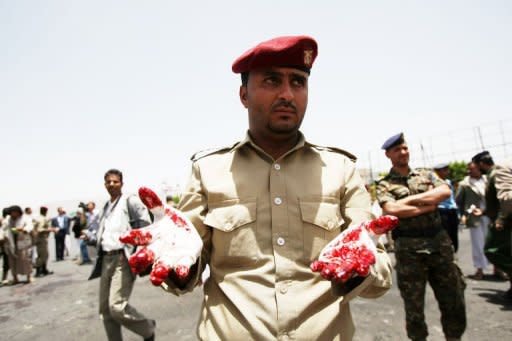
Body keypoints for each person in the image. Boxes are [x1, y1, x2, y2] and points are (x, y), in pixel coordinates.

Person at [157, 35, 392, 340]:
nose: (287, 94)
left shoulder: (340, 170)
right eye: (271, 80)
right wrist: (175, 261)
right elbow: (186, 255)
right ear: (243, 95)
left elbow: (379, 268)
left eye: (298, 82)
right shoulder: (208, 170)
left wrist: (361, 268)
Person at [376, 132, 466, 341]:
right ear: (388, 154)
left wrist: (409, 201)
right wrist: (427, 206)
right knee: (414, 306)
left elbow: (444, 192)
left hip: (439, 245)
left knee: (453, 300)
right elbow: (391, 209)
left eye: (405, 148)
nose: (403, 152)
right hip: (409, 250)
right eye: (397, 149)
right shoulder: (384, 184)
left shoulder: (426, 174)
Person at [86, 169, 155, 341]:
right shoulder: (106, 207)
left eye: (115, 181)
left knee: (117, 306)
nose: (111, 184)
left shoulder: (129, 201)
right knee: (105, 311)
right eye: (108, 182)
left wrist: (137, 252)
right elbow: (103, 233)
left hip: (122, 258)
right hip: (105, 259)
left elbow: (145, 226)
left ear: (121, 183)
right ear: (104, 184)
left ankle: (147, 328)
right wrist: (89, 237)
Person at [473, 151, 512, 297]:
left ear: (482, 164)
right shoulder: (491, 175)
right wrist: (483, 212)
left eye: (477, 165)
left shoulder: (496, 174)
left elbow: (505, 200)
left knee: (492, 250)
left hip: (503, 221)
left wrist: (501, 219)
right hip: (498, 219)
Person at [455, 161, 490, 279]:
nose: (469, 171)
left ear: (479, 169)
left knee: (492, 242)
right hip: (474, 217)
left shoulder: (487, 180)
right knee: (478, 244)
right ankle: (479, 269)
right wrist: (463, 215)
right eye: (468, 169)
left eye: (472, 169)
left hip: (489, 215)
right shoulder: (465, 184)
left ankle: (498, 268)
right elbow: (458, 201)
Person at [1, 205, 34, 284]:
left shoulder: (25, 218)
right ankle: (15, 278)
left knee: (25, 259)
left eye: (13, 212)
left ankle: (29, 276)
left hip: (23, 242)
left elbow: (30, 226)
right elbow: (3, 228)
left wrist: (23, 229)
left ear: (17, 212)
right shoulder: (8, 219)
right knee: (12, 261)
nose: (12, 214)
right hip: (11, 242)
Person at [433, 163, 460, 252]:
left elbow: (452, 198)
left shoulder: (448, 182)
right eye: (444, 170)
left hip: (452, 210)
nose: (447, 172)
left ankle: (454, 250)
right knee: (446, 234)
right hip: (442, 210)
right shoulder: (434, 183)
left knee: (454, 234)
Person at [33, 206, 54, 277]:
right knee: (42, 256)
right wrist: (50, 230)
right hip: (41, 239)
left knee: (45, 255)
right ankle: (38, 271)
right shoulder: (41, 219)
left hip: (41, 239)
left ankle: (44, 270)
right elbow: (40, 230)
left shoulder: (41, 218)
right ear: (45, 211)